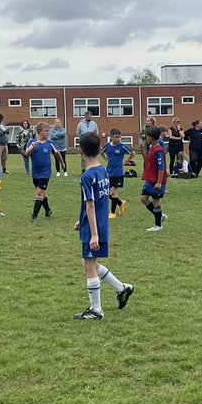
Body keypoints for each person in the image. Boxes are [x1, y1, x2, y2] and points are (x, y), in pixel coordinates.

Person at [73, 131, 133, 320]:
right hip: (98, 224)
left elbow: (91, 205)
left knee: (89, 265)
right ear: (100, 150)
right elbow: (96, 203)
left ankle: (96, 310)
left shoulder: (86, 177)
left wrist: (94, 235)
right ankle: (122, 288)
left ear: (80, 151)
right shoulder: (103, 171)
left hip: (94, 228)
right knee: (89, 262)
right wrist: (81, 219)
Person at [26, 122, 63, 222]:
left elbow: (57, 154)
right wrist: (34, 146)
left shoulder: (50, 143)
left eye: (48, 131)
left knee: (39, 193)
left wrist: (62, 164)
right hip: (35, 173)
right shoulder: (32, 142)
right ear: (39, 131)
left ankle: (34, 216)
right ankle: (47, 210)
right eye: (46, 131)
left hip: (46, 173)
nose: (48, 133)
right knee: (42, 194)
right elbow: (27, 153)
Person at [140, 127, 169, 233]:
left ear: (151, 138)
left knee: (156, 202)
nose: (146, 138)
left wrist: (159, 182)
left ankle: (158, 225)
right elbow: (147, 160)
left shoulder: (158, 150)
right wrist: (143, 151)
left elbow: (161, 167)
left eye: (147, 136)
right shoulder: (152, 148)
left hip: (156, 180)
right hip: (150, 179)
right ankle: (159, 216)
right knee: (143, 198)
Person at [101, 128, 135, 218]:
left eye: (120, 137)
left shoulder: (122, 146)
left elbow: (133, 153)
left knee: (113, 193)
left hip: (118, 174)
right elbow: (101, 152)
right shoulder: (107, 146)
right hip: (108, 173)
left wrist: (126, 161)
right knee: (106, 193)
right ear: (111, 137)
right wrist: (106, 160)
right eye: (117, 137)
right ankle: (121, 203)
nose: (119, 139)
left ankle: (112, 213)